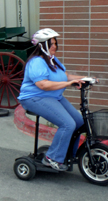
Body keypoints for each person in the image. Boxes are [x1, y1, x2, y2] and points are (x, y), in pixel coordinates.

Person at [17, 28, 88, 171]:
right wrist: (68, 84)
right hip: (35, 98)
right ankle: (52, 158)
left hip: (54, 97)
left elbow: (65, 75)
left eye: (55, 43)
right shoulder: (36, 62)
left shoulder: (52, 60)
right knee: (67, 124)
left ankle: (66, 155)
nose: (54, 46)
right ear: (42, 45)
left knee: (79, 123)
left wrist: (84, 78)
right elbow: (43, 84)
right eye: (51, 44)